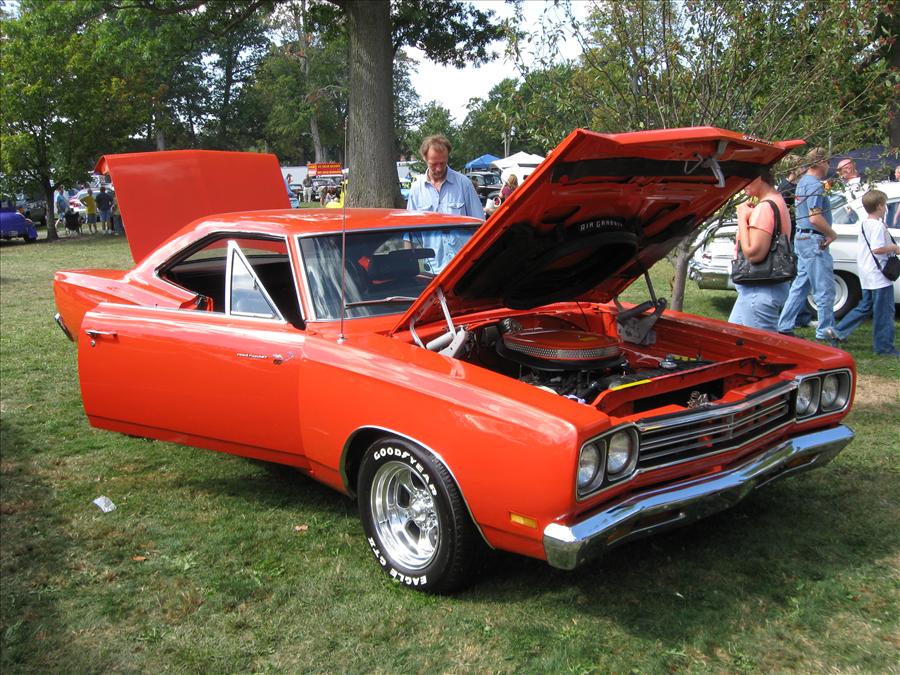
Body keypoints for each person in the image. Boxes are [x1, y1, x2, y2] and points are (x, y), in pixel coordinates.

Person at [825, 190, 899, 355]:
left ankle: (837, 331)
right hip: (879, 276)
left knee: (865, 306)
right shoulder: (878, 226)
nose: (886, 208)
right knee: (884, 312)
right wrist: (894, 248)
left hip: (868, 274)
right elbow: (877, 249)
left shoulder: (865, 224)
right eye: (885, 204)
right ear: (879, 205)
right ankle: (884, 347)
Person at [777, 147, 839, 340]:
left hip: (802, 238)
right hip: (814, 240)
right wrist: (831, 233)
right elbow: (814, 217)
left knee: (800, 285)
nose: (829, 166)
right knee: (824, 289)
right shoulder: (814, 185)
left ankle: (785, 325)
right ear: (821, 162)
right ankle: (825, 332)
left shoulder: (802, 182)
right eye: (828, 162)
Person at [727, 171, 793, 331]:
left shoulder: (764, 207)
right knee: (733, 339)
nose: (741, 186)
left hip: (759, 289)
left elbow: (753, 254)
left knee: (761, 352)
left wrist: (742, 217)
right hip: (758, 288)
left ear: (758, 177)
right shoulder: (777, 200)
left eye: (745, 180)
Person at [406, 134, 484, 219]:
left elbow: (479, 221)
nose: (439, 169)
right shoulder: (416, 189)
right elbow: (410, 227)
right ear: (425, 158)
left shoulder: (464, 184)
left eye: (443, 163)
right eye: (434, 164)